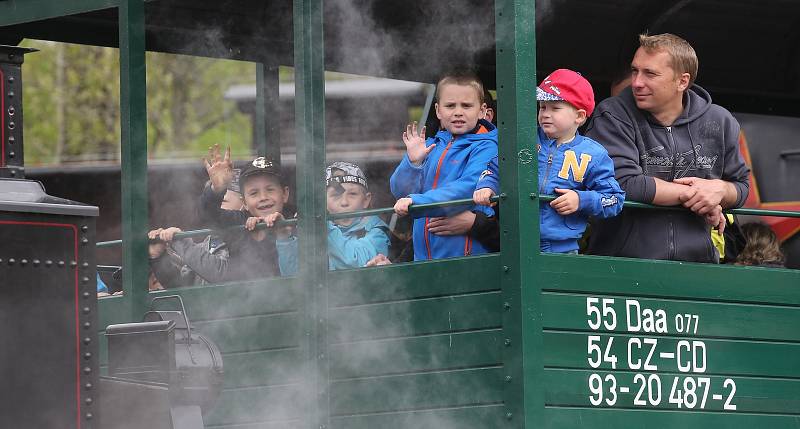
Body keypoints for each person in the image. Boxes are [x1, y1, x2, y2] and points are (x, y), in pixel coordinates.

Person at [584, 33, 750, 262]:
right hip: (621, 265)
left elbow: (741, 186)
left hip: (697, 267)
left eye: (650, 73)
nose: (637, 82)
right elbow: (622, 183)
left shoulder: (720, 121)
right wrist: (696, 196)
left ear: (682, 81)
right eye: (635, 71)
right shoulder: (612, 113)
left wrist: (720, 190)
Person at [474, 69, 625, 253]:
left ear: (579, 116)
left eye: (555, 108)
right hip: (514, 244)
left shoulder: (594, 154)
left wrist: (580, 199)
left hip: (563, 250)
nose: (545, 113)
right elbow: (496, 168)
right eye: (543, 107)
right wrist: (487, 186)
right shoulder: (525, 140)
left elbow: (614, 199)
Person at [389, 72, 498, 261]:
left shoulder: (487, 147)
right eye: (450, 106)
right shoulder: (432, 145)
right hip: (424, 261)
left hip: (466, 261)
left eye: (466, 106)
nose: (458, 112)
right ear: (438, 111)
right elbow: (401, 192)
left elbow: (467, 189)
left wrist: (417, 202)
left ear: (482, 111)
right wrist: (413, 163)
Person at [265, 162, 390, 273]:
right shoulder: (316, 232)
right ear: (323, 202)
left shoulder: (377, 231)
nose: (344, 202)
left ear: (366, 200)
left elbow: (355, 262)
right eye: (336, 195)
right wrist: (284, 237)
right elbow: (293, 276)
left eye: (352, 194)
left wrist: (322, 224)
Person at [195, 146, 289, 279]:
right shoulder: (239, 221)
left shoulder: (297, 222)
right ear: (244, 202)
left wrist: (283, 232)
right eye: (254, 193)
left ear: (284, 194)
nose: (263, 197)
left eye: (270, 189)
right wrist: (217, 189)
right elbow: (207, 214)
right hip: (242, 298)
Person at [148, 176, 244, 287]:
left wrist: (179, 240)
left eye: (221, 201)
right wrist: (158, 256)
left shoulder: (246, 238)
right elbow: (183, 287)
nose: (214, 209)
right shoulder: (207, 243)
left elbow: (221, 275)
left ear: (244, 202)